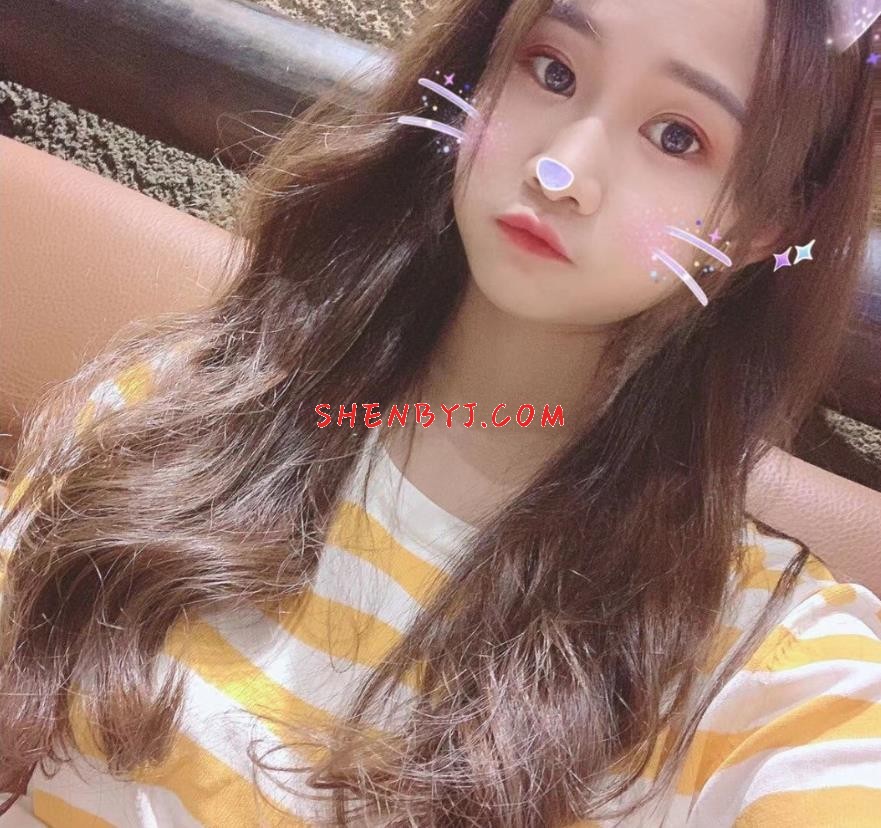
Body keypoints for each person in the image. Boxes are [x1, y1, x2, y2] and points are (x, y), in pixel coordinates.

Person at [2, 0, 881, 824]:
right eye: (553, 71)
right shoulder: (187, 400)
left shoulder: (766, 666)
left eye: (676, 136)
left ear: (766, 224)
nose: (561, 170)